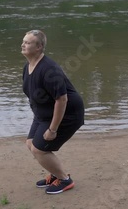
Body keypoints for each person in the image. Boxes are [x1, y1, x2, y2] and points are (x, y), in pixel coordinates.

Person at [21, 29, 85, 195]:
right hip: (43, 114)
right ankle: (55, 174)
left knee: (39, 149)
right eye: (24, 41)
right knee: (30, 143)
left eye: (28, 42)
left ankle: (64, 180)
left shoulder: (49, 70)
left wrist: (53, 129)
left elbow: (62, 100)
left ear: (39, 47)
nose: (23, 44)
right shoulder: (27, 67)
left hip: (68, 114)